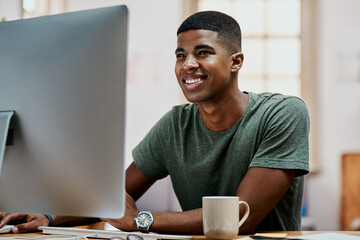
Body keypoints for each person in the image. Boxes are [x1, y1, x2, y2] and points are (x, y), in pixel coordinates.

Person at [0, 10, 309, 234]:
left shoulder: (283, 113)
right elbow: (112, 198)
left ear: (235, 61)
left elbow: (238, 218)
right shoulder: (175, 125)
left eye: (203, 53)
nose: (188, 65)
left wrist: (139, 221)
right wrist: (48, 217)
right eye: (180, 55)